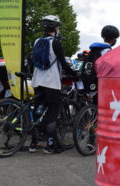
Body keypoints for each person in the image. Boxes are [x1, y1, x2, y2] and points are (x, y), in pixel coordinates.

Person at [30, 15, 76, 154]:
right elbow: (62, 62)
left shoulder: (37, 41)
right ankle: (50, 146)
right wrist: (74, 74)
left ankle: (34, 143)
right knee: (52, 112)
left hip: (37, 80)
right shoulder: (55, 42)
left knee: (38, 111)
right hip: (51, 81)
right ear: (55, 27)